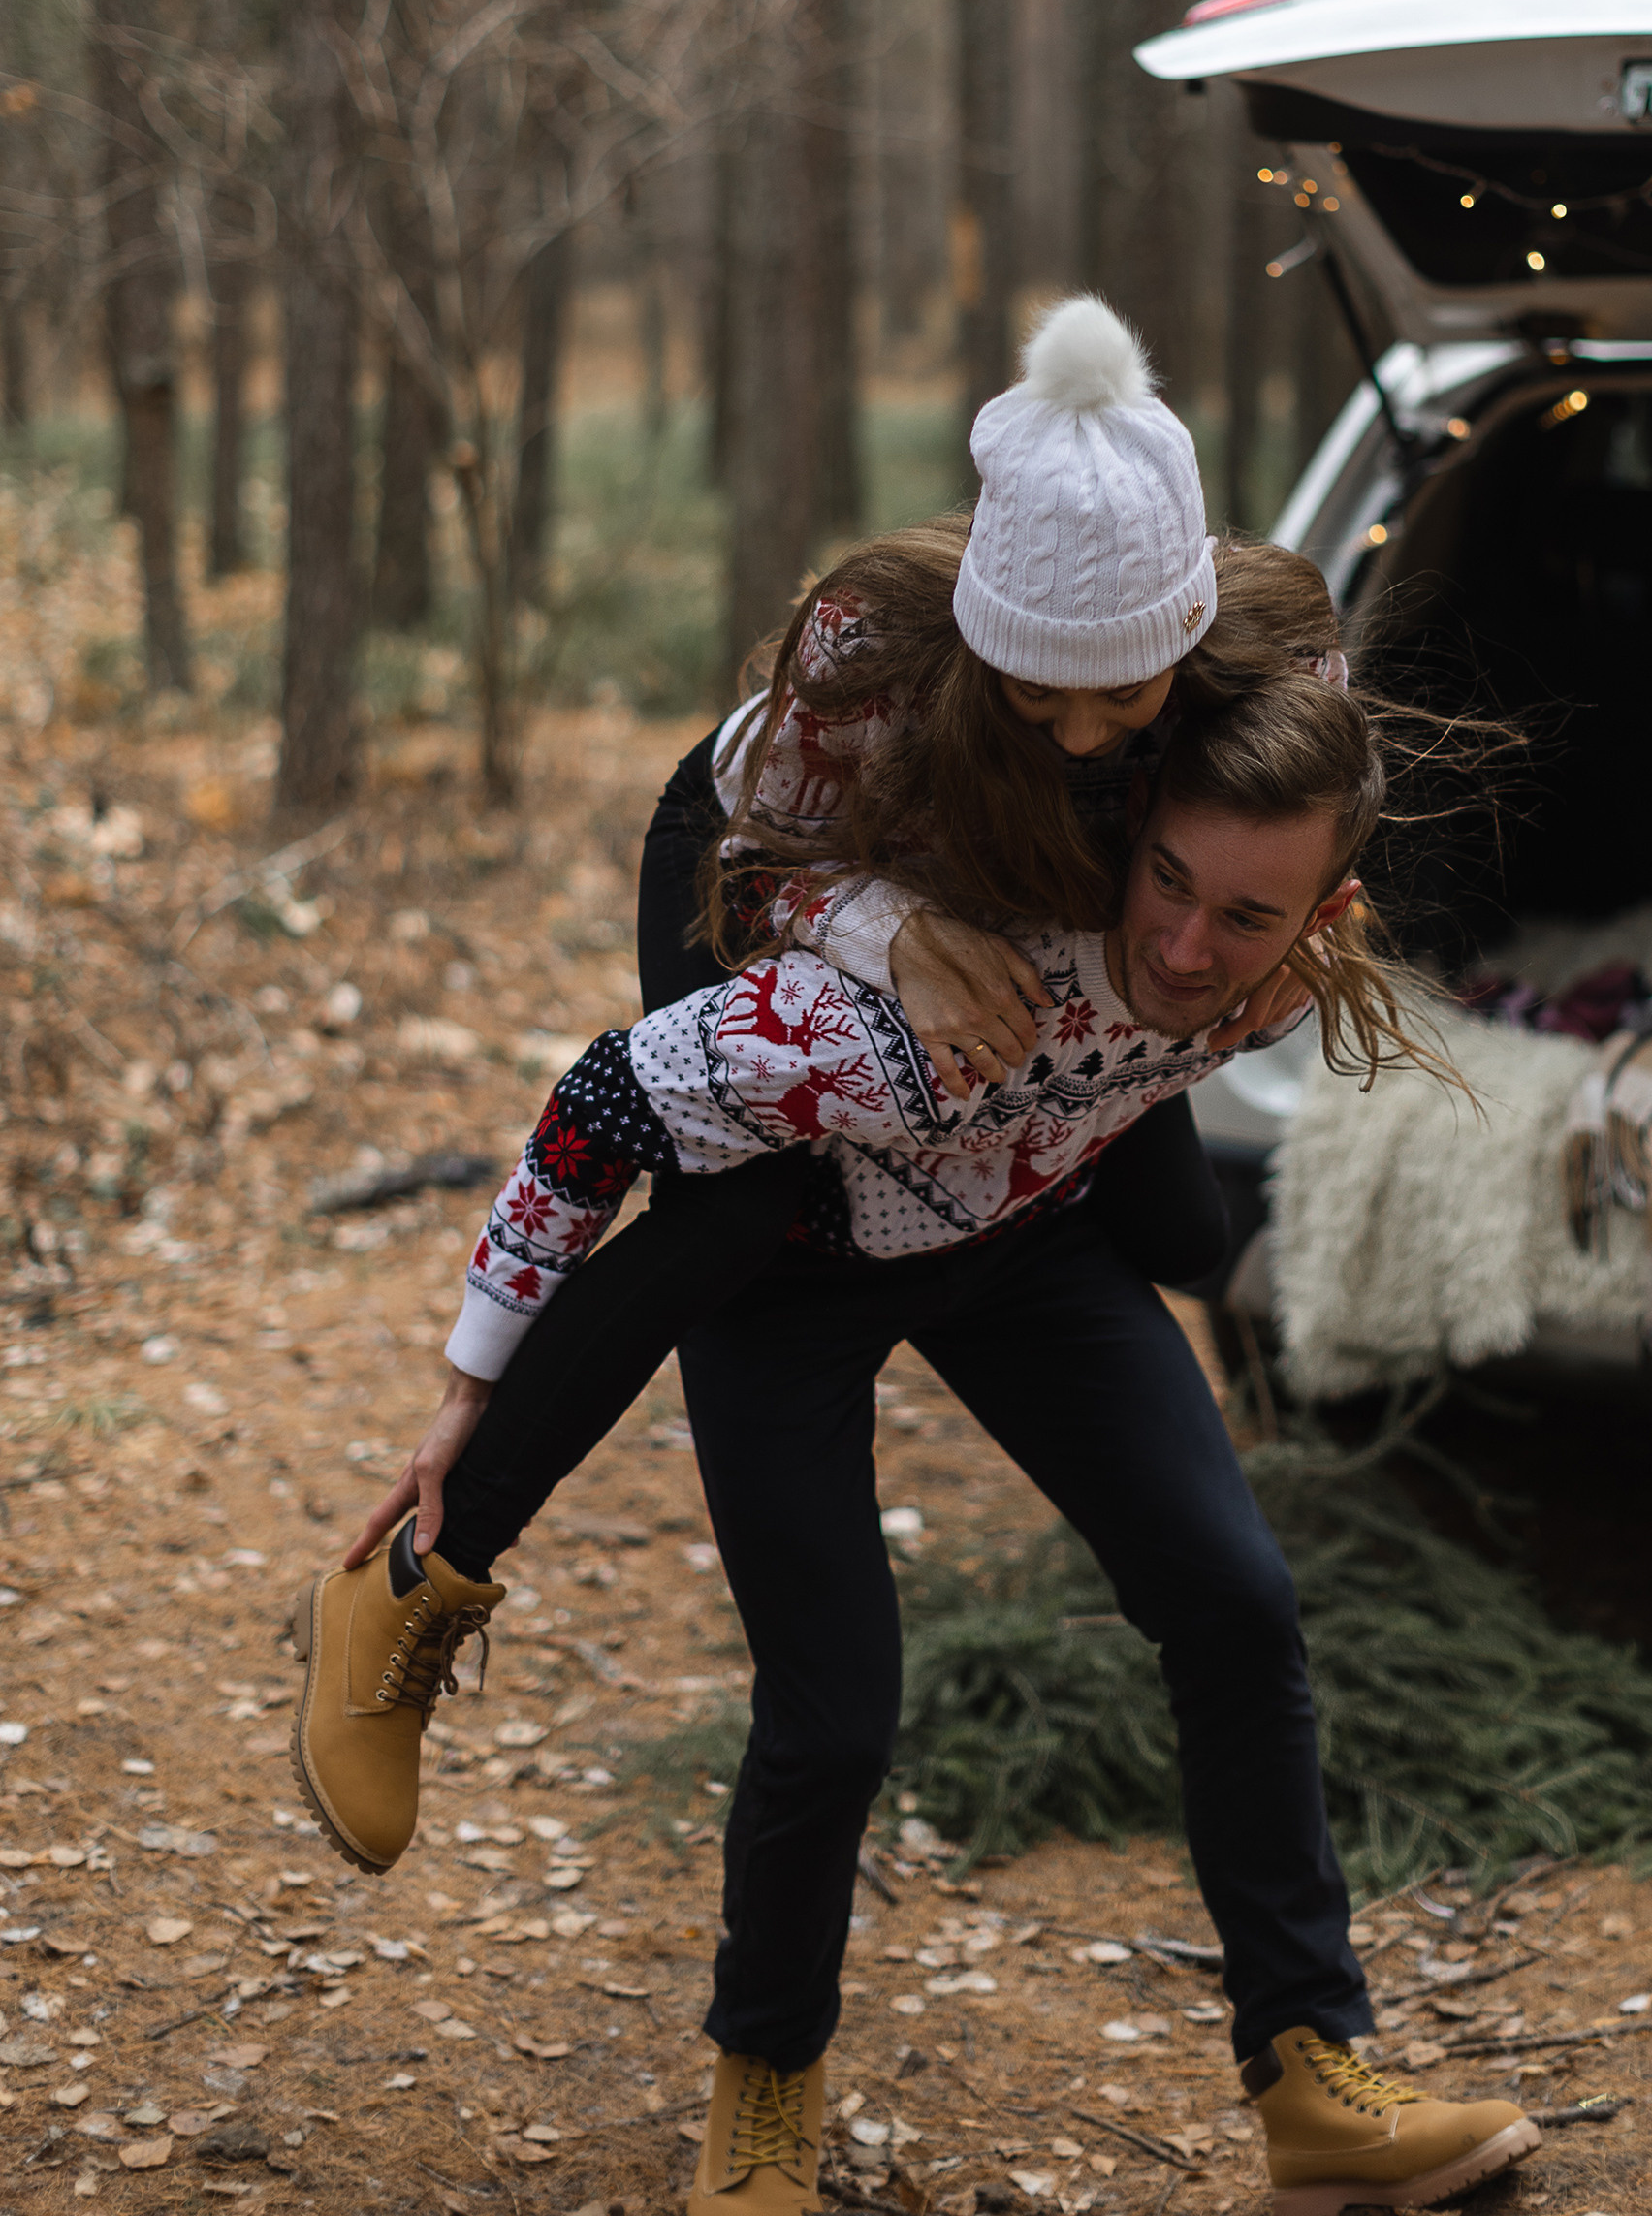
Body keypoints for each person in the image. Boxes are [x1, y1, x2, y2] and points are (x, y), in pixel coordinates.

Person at [291, 669, 1538, 2216]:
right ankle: (763, 2096)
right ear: (1127, 836)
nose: (1187, 948)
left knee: (1236, 1600)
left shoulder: (1280, 971)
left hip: (1027, 1236)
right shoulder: (912, 1009)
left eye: (1248, 916)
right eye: (1167, 885)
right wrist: (471, 1374)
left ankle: (1311, 2077)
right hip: (799, 1268)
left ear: (1324, 911)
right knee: (837, 1719)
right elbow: (609, 1096)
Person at [290, 296, 1346, 1847]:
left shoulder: (1280, 653)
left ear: (1189, 635)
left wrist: (1316, 938)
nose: (1073, 734)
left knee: (1180, 1232)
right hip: (755, 870)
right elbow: (756, 863)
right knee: (744, 1204)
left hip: (955, 893)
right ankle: (411, 1593)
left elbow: (1314, 844)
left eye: (1119, 697)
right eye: (1032, 688)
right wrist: (889, 932)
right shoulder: (871, 645)